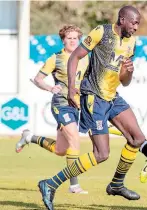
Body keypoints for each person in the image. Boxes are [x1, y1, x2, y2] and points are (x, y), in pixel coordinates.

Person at [37, 6, 147, 210]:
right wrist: (72, 89)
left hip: (113, 96)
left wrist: (129, 72)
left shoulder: (132, 43)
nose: (136, 28)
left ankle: (116, 184)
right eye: (134, 23)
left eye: (138, 23)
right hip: (93, 96)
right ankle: (50, 183)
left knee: (137, 139)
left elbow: (125, 81)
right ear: (122, 19)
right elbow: (75, 56)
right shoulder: (101, 32)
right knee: (101, 154)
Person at [15, 25, 89, 194]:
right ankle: (74, 185)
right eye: (69, 38)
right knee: (75, 140)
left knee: (60, 150)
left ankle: (29, 137)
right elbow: (38, 79)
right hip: (61, 104)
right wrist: (49, 88)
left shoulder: (85, 57)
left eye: (75, 38)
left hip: (76, 106)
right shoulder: (55, 58)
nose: (72, 41)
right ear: (63, 40)